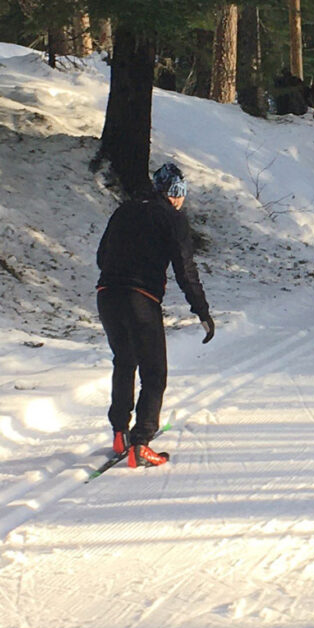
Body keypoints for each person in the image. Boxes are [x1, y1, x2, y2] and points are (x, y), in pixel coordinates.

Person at [94, 158, 215, 466]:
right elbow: (185, 269)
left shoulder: (123, 211)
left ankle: (120, 431)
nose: (181, 197)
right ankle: (141, 443)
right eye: (179, 190)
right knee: (154, 371)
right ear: (170, 191)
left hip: (107, 295)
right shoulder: (171, 218)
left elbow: (101, 256)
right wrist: (201, 310)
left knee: (124, 360)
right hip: (141, 299)